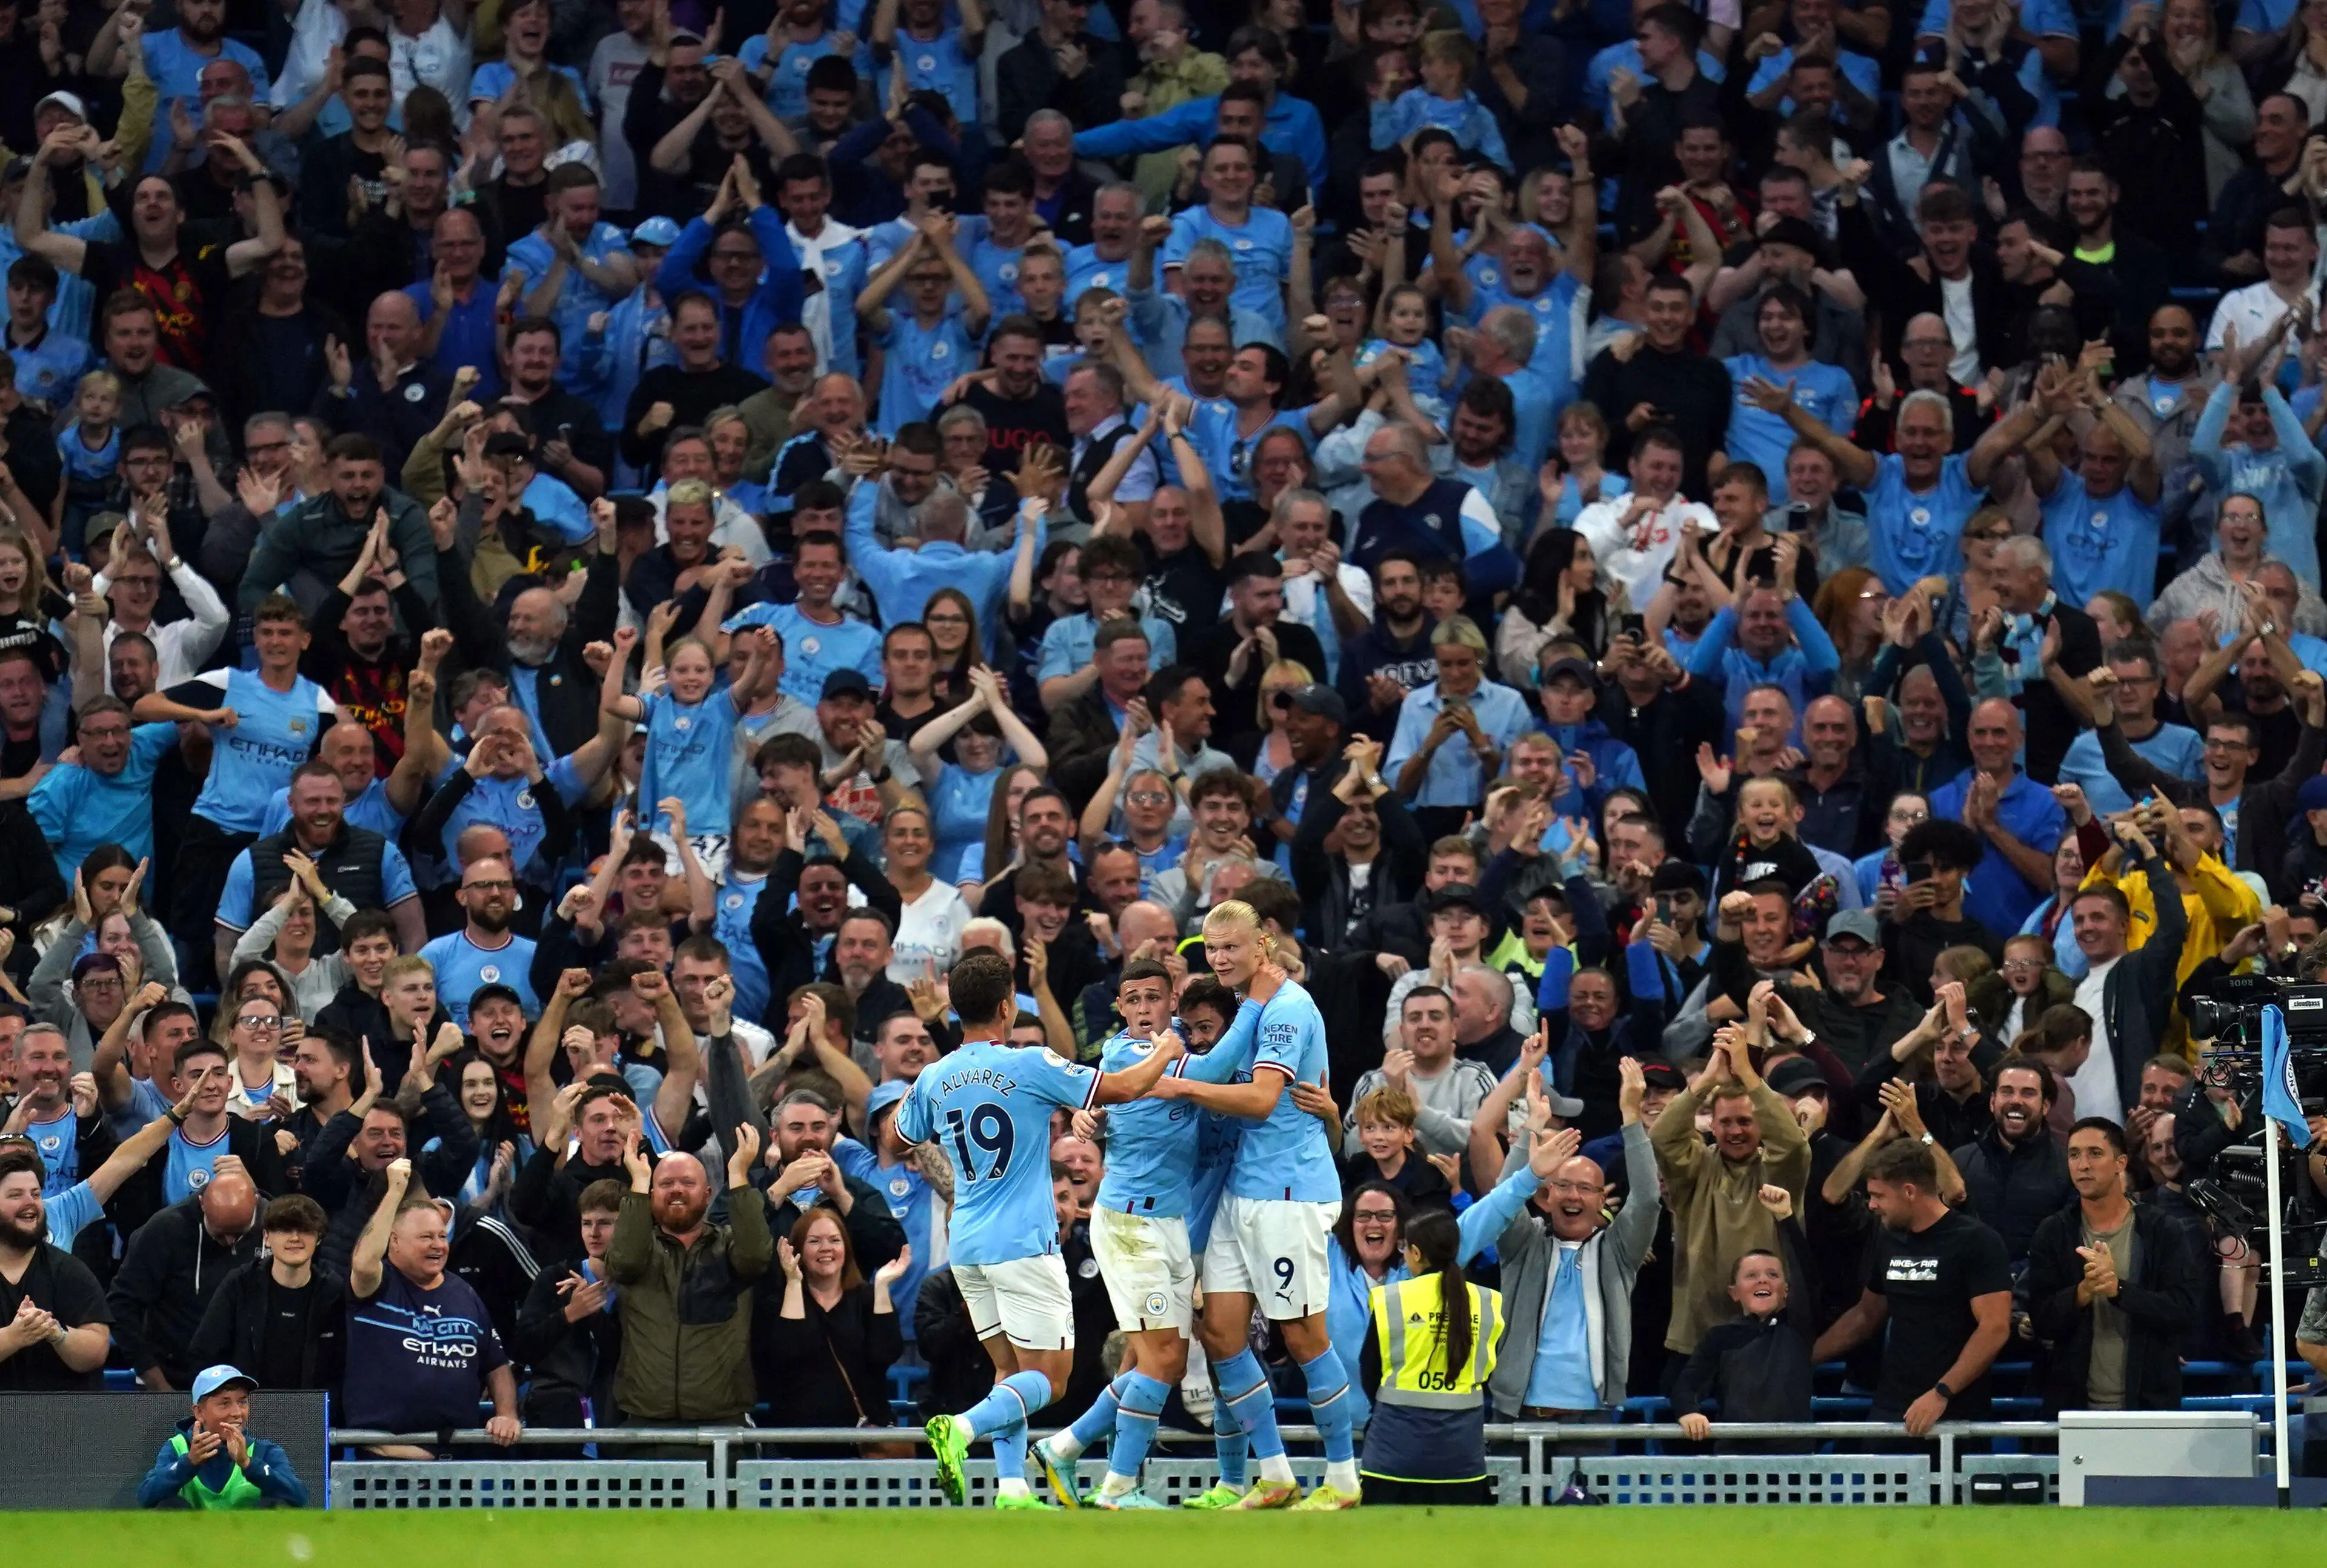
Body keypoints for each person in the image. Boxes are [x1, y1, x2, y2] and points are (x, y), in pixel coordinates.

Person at [908, 949, 1184, 1507]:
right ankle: (961, 1429)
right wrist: (1168, 1052)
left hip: (967, 1243)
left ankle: (1011, 1488)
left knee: (1008, 1371)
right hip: (1023, 1243)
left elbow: (909, 1132)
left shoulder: (933, 1076)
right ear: (1008, 1007)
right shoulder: (1028, 1063)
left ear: (957, 1011)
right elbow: (1124, 1089)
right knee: (1050, 1381)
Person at [1032, 957, 1274, 1507]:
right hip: (1129, 1225)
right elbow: (1206, 1076)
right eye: (1133, 1000)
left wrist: (1094, 1117)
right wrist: (1258, 1002)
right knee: (1164, 1358)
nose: (1144, 1010)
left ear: (1171, 1003)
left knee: (1151, 1359)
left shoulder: (1182, 1055)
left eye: (1153, 999)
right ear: (1120, 1008)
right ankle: (1115, 1486)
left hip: (1169, 1224)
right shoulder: (1127, 1055)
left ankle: (1065, 1450)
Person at [1814, 1137, 2012, 1435]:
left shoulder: (1977, 1241)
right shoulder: (1888, 1239)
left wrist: (1942, 1392)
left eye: (1878, 1195)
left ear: (1909, 1192)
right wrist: (1804, 1359)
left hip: (1956, 1407)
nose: (1872, 1205)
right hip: (1893, 1403)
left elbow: (1995, 1327)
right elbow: (1866, 1315)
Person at [342, 1157, 522, 1455]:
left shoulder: (464, 1293)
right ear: (394, 1241)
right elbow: (362, 1263)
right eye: (426, 1237)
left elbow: (496, 1364)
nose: (438, 1245)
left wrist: (507, 1414)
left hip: (454, 1455)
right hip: (385, 1457)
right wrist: (395, 1194)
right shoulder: (378, 1283)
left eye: (442, 1236)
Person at [2023, 1118, 2203, 1412]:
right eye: (2074, 1154)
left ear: (2121, 1162)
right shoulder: (2053, 1232)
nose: (2083, 1165)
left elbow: (2183, 1310)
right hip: (2072, 1408)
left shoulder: (2162, 1229)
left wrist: (2117, 1290)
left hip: (2148, 1407)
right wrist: (2082, 1292)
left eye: (2095, 1153)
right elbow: (2042, 1320)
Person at [0, 1143, 113, 1389]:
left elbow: (96, 1351)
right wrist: (14, 1336)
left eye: (36, 1194)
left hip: (61, 1420)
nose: (30, 1203)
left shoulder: (68, 1270)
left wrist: (56, 1334)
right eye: (16, 1195)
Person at [136, 1364, 310, 1509]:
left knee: (276, 1505)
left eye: (243, 1402)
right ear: (199, 1412)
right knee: (169, 1506)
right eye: (224, 1403)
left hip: (250, 1544)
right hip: (192, 1542)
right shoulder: (178, 1447)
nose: (237, 1413)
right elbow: (146, 1496)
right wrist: (188, 1463)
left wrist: (248, 1464)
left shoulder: (264, 1451)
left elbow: (299, 1497)